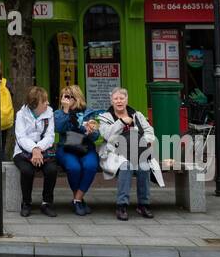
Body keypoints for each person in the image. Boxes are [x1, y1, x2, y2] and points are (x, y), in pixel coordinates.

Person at [98, 87, 155, 221]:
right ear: (111, 101)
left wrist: (142, 142)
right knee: (126, 166)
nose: (119, 101)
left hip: (136, 151)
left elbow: (149, 132)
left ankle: (143, 204)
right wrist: (122, 122)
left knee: (144, 167)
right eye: (116, 98)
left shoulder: (137, 115)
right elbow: (107, 135)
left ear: (126, 99)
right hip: (115, 153)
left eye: (122, 98)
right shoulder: (105, 117)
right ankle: (121, 205)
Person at [12, 85, 58, 217]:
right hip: (23, 152)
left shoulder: (49, 113)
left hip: (44, 150)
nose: (47, 103)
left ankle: (47, 203)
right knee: (27, 171)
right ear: (35, 104)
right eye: (44, 101)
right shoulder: (21, 115)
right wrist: (33, 149)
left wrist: (38, 149)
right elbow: (21, 137)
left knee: (51, 170)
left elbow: (50, 136)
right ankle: (26, 203)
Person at [55, 84, 100, 216]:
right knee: (74, 167)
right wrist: (65, 110)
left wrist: (91, 130)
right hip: (67, 148)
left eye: (70, 97)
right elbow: (58, 128)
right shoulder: (59, 113)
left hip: (86, 147)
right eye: (64, 97)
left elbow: (96, 136)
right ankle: (79, 200)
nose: (67, 99)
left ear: (77, 97)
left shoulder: (89, 113)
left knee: (90, 166)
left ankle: (77, 199)